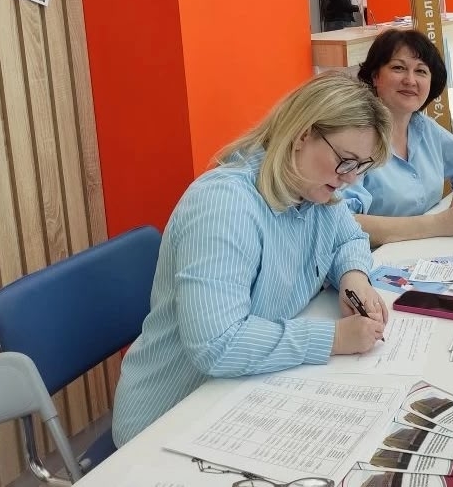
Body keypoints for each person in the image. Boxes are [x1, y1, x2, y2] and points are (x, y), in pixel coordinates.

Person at [111, 73, 393, 446]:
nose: (351, 179)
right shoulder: (224, 205)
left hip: (244, 394)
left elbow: (349, 238)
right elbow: (217, 343)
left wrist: (353, 277)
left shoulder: (316, 191)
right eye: (345, 161)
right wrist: (335, 338)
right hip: (169, 418)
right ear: (303, 135)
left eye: (361, 167)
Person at [342, 29, 453, 247]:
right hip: (372, 259)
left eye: (421, 71)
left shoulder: (424, 127)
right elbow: (343, 222)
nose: (410, 80)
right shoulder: (353, 138)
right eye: (398, 68)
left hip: (426, 252)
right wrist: (439, 224)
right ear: (375, 76)